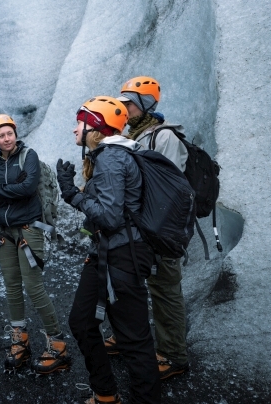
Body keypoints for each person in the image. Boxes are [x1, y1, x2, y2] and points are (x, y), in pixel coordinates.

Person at [57, 97, 160, 404]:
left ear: (96, 126)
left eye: (80, 122)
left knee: (133, 339)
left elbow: (111, 217)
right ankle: (105, 393)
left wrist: (72, 194)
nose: (75, 128)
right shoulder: (108, 155)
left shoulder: (112, 158)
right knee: (82, 321)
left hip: (124, 255)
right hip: (107, 252)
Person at [109, 76, 189, 380]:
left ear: (145, 105)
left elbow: (164, 189)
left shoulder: (163, 138)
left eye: (129, 103)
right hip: (139, 230)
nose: (123, 108)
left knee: (165, 291)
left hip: (160, 232)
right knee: (133, 287)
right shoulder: (137, 136)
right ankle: (130, 337)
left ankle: (173, 355)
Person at [0, 115, 70, 375]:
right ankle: (19, 339)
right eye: (1, 135)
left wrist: (1, 189)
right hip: (3, 231)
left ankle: (57, 343)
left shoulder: (29, 155)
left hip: (29, 230)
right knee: (11, 286)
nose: (7, 138)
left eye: (9, 133)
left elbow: (29, 187)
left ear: (15, 134)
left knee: (33, 286)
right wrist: (11, 188)